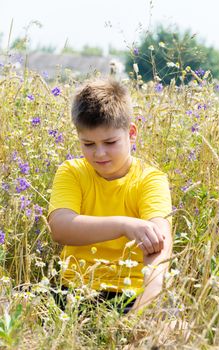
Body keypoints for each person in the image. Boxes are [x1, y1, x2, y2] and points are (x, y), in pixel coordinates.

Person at [48, 79, 172, 313]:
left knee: (175, 329)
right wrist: (124, 225)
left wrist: (144, 311)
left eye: (110, 142)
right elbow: (60, 228)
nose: (99, 153)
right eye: (88, 144)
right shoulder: (72, 172)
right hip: (77, 290)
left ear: (131, 133)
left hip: (134, 294)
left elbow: (160, 247)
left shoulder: (150, 179)